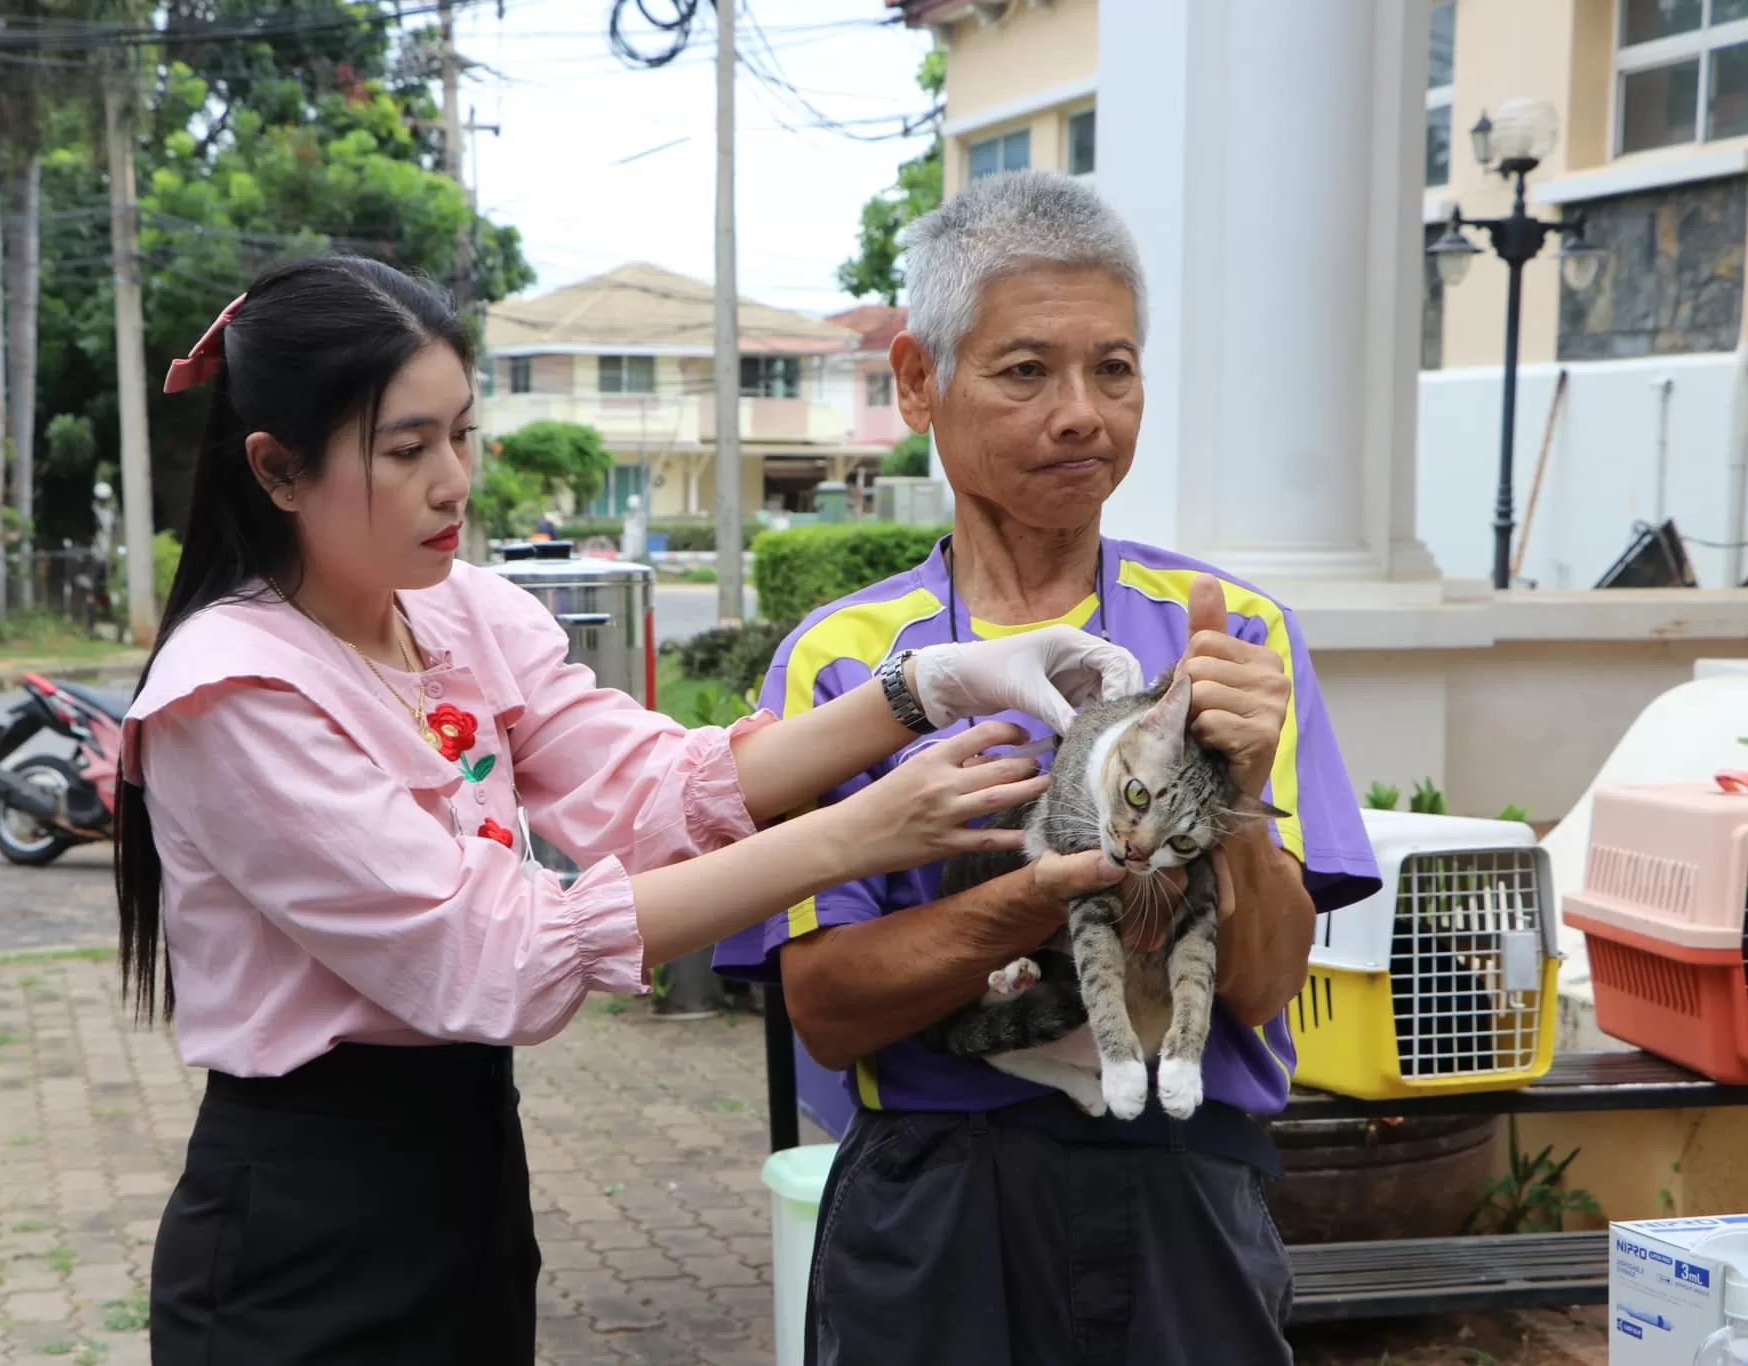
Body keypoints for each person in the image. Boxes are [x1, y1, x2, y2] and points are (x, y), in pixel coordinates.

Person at [113, 255, 1146, 1366]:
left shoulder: (452, 614)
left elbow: (651, 784)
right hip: (302, 1213)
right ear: (276, 468)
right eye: (405, 449)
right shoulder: (233, 691)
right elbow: (489, 954)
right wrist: (853, 834)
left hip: (464, 1175)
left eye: (462, 434)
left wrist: (927, 683)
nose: (452, 481)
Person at [714, 170, 1383, 1364]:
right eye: (1025, 371)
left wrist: (1228, 794)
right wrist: (1030, 897)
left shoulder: (1227, 635)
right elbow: (823, 1011)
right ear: (919, 380)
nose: (1080, 413)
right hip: (934, 1200)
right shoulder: (849, 667)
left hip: (1183, 1187)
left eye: (1112, 369)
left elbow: (1266, 987)